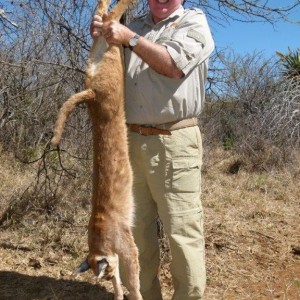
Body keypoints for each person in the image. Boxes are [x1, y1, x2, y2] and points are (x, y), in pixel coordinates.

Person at [90, 0, 214, 298]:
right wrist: (101, 38)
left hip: (174, 141)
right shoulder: (137, 26)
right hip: (128, 143)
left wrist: (127, 38)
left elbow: (172, 65)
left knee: (182, 232)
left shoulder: (192, 23)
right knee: (135, 231)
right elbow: (109, 67)